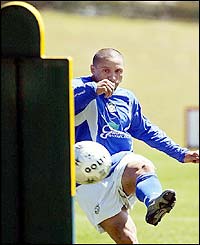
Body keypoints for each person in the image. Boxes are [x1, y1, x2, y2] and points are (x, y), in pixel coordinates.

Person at [73, 48, 199, 244]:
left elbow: (147, 130)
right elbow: (60, 102)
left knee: (141, 166)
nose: (113, 77)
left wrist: (181, 154)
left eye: (118, 71)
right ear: (93, 69)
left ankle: (155, 201)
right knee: (127, 239)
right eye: (106, 71)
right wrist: (92, 91)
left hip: (121, 164)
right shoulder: (79, 87)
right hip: (88, 176)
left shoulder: (127, 98)